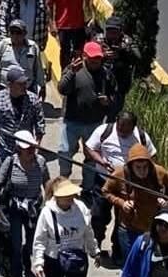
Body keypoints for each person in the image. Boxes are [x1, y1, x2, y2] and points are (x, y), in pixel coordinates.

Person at [85, 111, 158, 251]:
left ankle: (118, 249)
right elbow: (89, 148)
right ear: (116, 122)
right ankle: (96, 245)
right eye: (120, 129)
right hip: (103, 180)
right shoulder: (104, 131)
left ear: (134, 127)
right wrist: (101, 161)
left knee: (124, 219)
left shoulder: (141, 137)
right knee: (99, 214)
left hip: (128, 187)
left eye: (127, 130)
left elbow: (152, 156)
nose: (123, 133)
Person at [0, 129, 50, 277]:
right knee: (15, 244)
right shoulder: (10, 162)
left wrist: (47, 204)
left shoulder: (41, 162)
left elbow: (48, 184)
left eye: (32, 147)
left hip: (34, 209)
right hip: (15, 209)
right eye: (27, 148)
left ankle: (26, 257)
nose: (31, 150)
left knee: (32, 242)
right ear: (19, 149)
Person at [57, 42, 118, 179]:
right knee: (65, 152)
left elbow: (114, 96)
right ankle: (63, 179)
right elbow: (62, 89)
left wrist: (108, 101)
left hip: (93, 123)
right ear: (85, 56)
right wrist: (71, 73)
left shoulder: (106, 74)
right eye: (92, 58)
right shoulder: (74, 69)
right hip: (71, 121)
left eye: (98, 58)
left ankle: (88, 187)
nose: (96, 61)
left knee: (92, 156)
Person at [103, 145, 168, 260]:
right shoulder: (120, 174)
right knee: (132, 264)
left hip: (153, 229)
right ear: (130, 166)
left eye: (145, 167)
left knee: (150, 264)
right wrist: (121, 203)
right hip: (128, 229)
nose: (142, 171)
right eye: (138, 167)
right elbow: (105, 191)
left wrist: (166, 203)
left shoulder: (159, 172)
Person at [0, 66, 46, 161]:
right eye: (20, 84)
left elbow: (40, 124)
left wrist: (37, 144)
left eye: (25, 83)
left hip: (25, 149)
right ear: (10, 85)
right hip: (5, 148)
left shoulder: (33, 100)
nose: (24, 86)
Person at [93, 16, 141, 118]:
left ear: (120, 31)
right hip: (100, 82)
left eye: (115, 31)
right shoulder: (99, 40)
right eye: (109, 31)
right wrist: (102, 54)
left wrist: (123, 52)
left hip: (119, 84)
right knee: (96, 113)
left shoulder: (127, 41)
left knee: (114, 113)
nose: (112, 35)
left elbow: (137, 57)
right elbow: (88, 56)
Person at [0, 20, 45, 97]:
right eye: (12, 32)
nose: (15, 35)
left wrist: (42, 86)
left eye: (18, 32)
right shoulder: (2, 45)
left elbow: (38, 68)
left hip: (26, 88)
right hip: (5, 88)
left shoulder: (33, 47)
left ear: (25, 33)